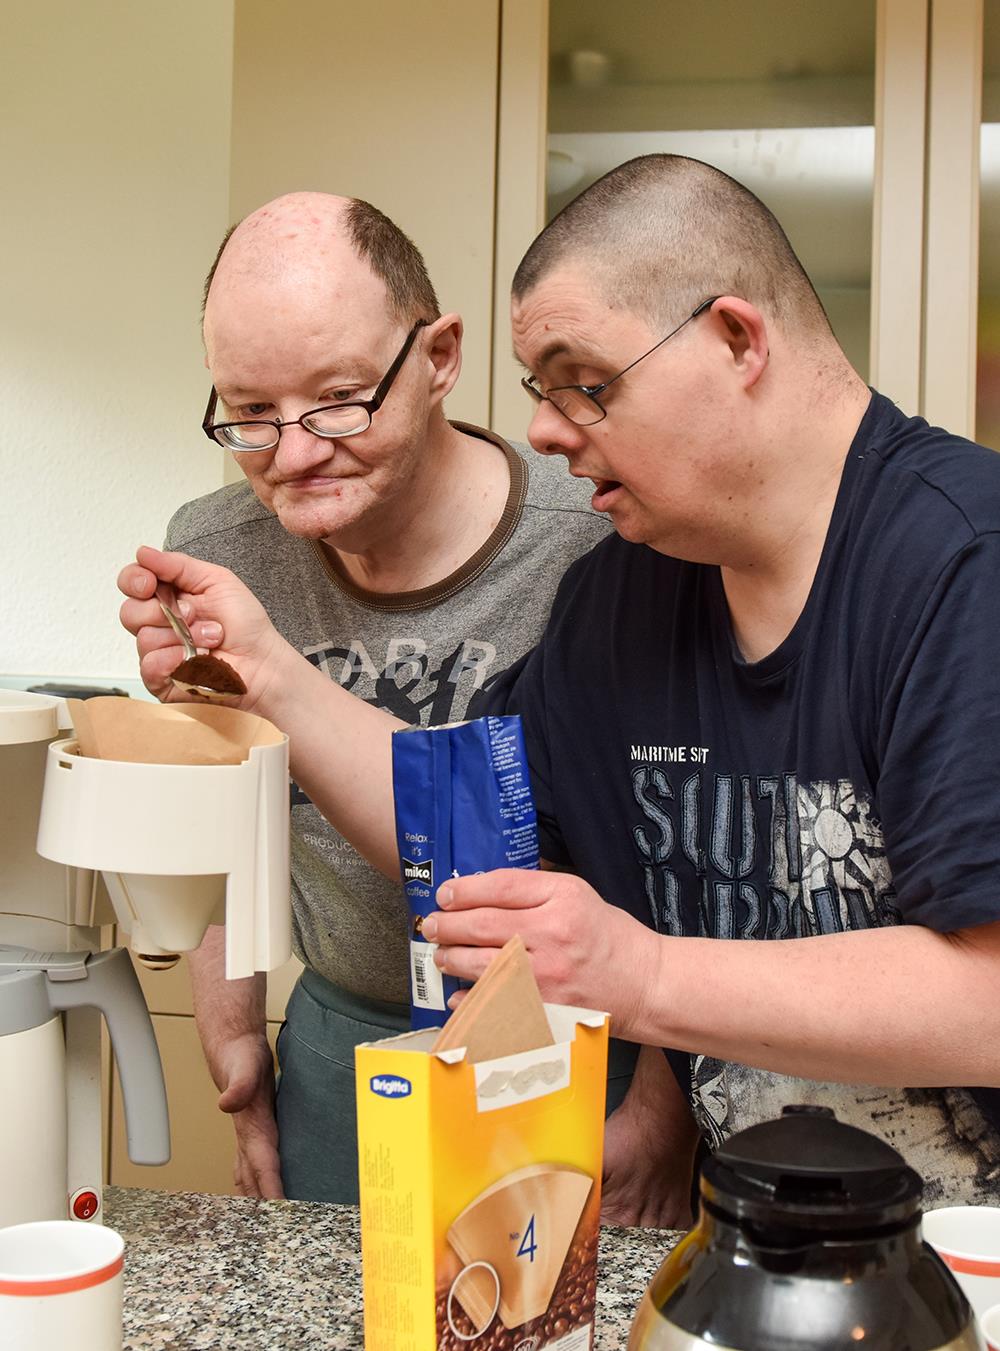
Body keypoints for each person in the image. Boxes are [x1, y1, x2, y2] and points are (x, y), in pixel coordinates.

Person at [122, 156, 1000, 1208]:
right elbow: (467, 828)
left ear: (735, 339)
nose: (540, 428)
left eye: (584, 381)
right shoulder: (625, 593)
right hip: (767, 1233)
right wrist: (264, 670)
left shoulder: (964, 559)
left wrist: (646, 976)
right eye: (543, 390)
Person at [118, 191, 682, 1213]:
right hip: (343, 1037)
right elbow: (219, 827)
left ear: (439, 356)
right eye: (246, 412)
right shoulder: (217, 551)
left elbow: (691, 851)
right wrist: (235, 1041)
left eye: (338, 400)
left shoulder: (599, 540)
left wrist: (664, 1101)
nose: (291, 455)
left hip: (587, 1051)